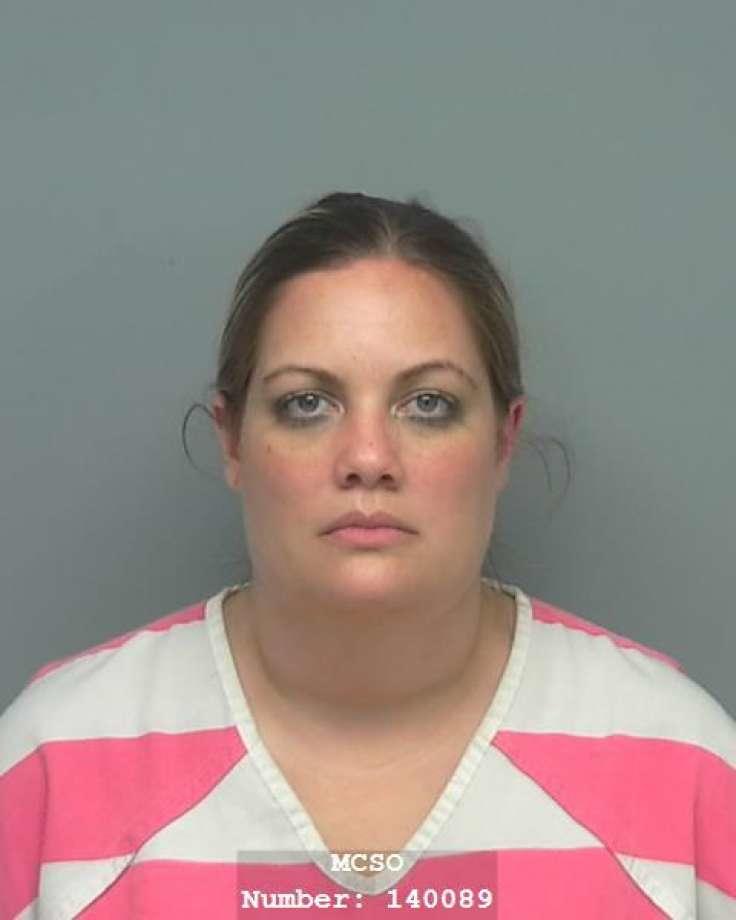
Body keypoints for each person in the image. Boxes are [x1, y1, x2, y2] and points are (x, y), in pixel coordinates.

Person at [0, 191, 734, 919]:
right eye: (307, 403)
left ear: (504, 440)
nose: (368, 458)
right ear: (233, 440)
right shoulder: (53, 758)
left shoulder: (682, 762)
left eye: (428, 403)